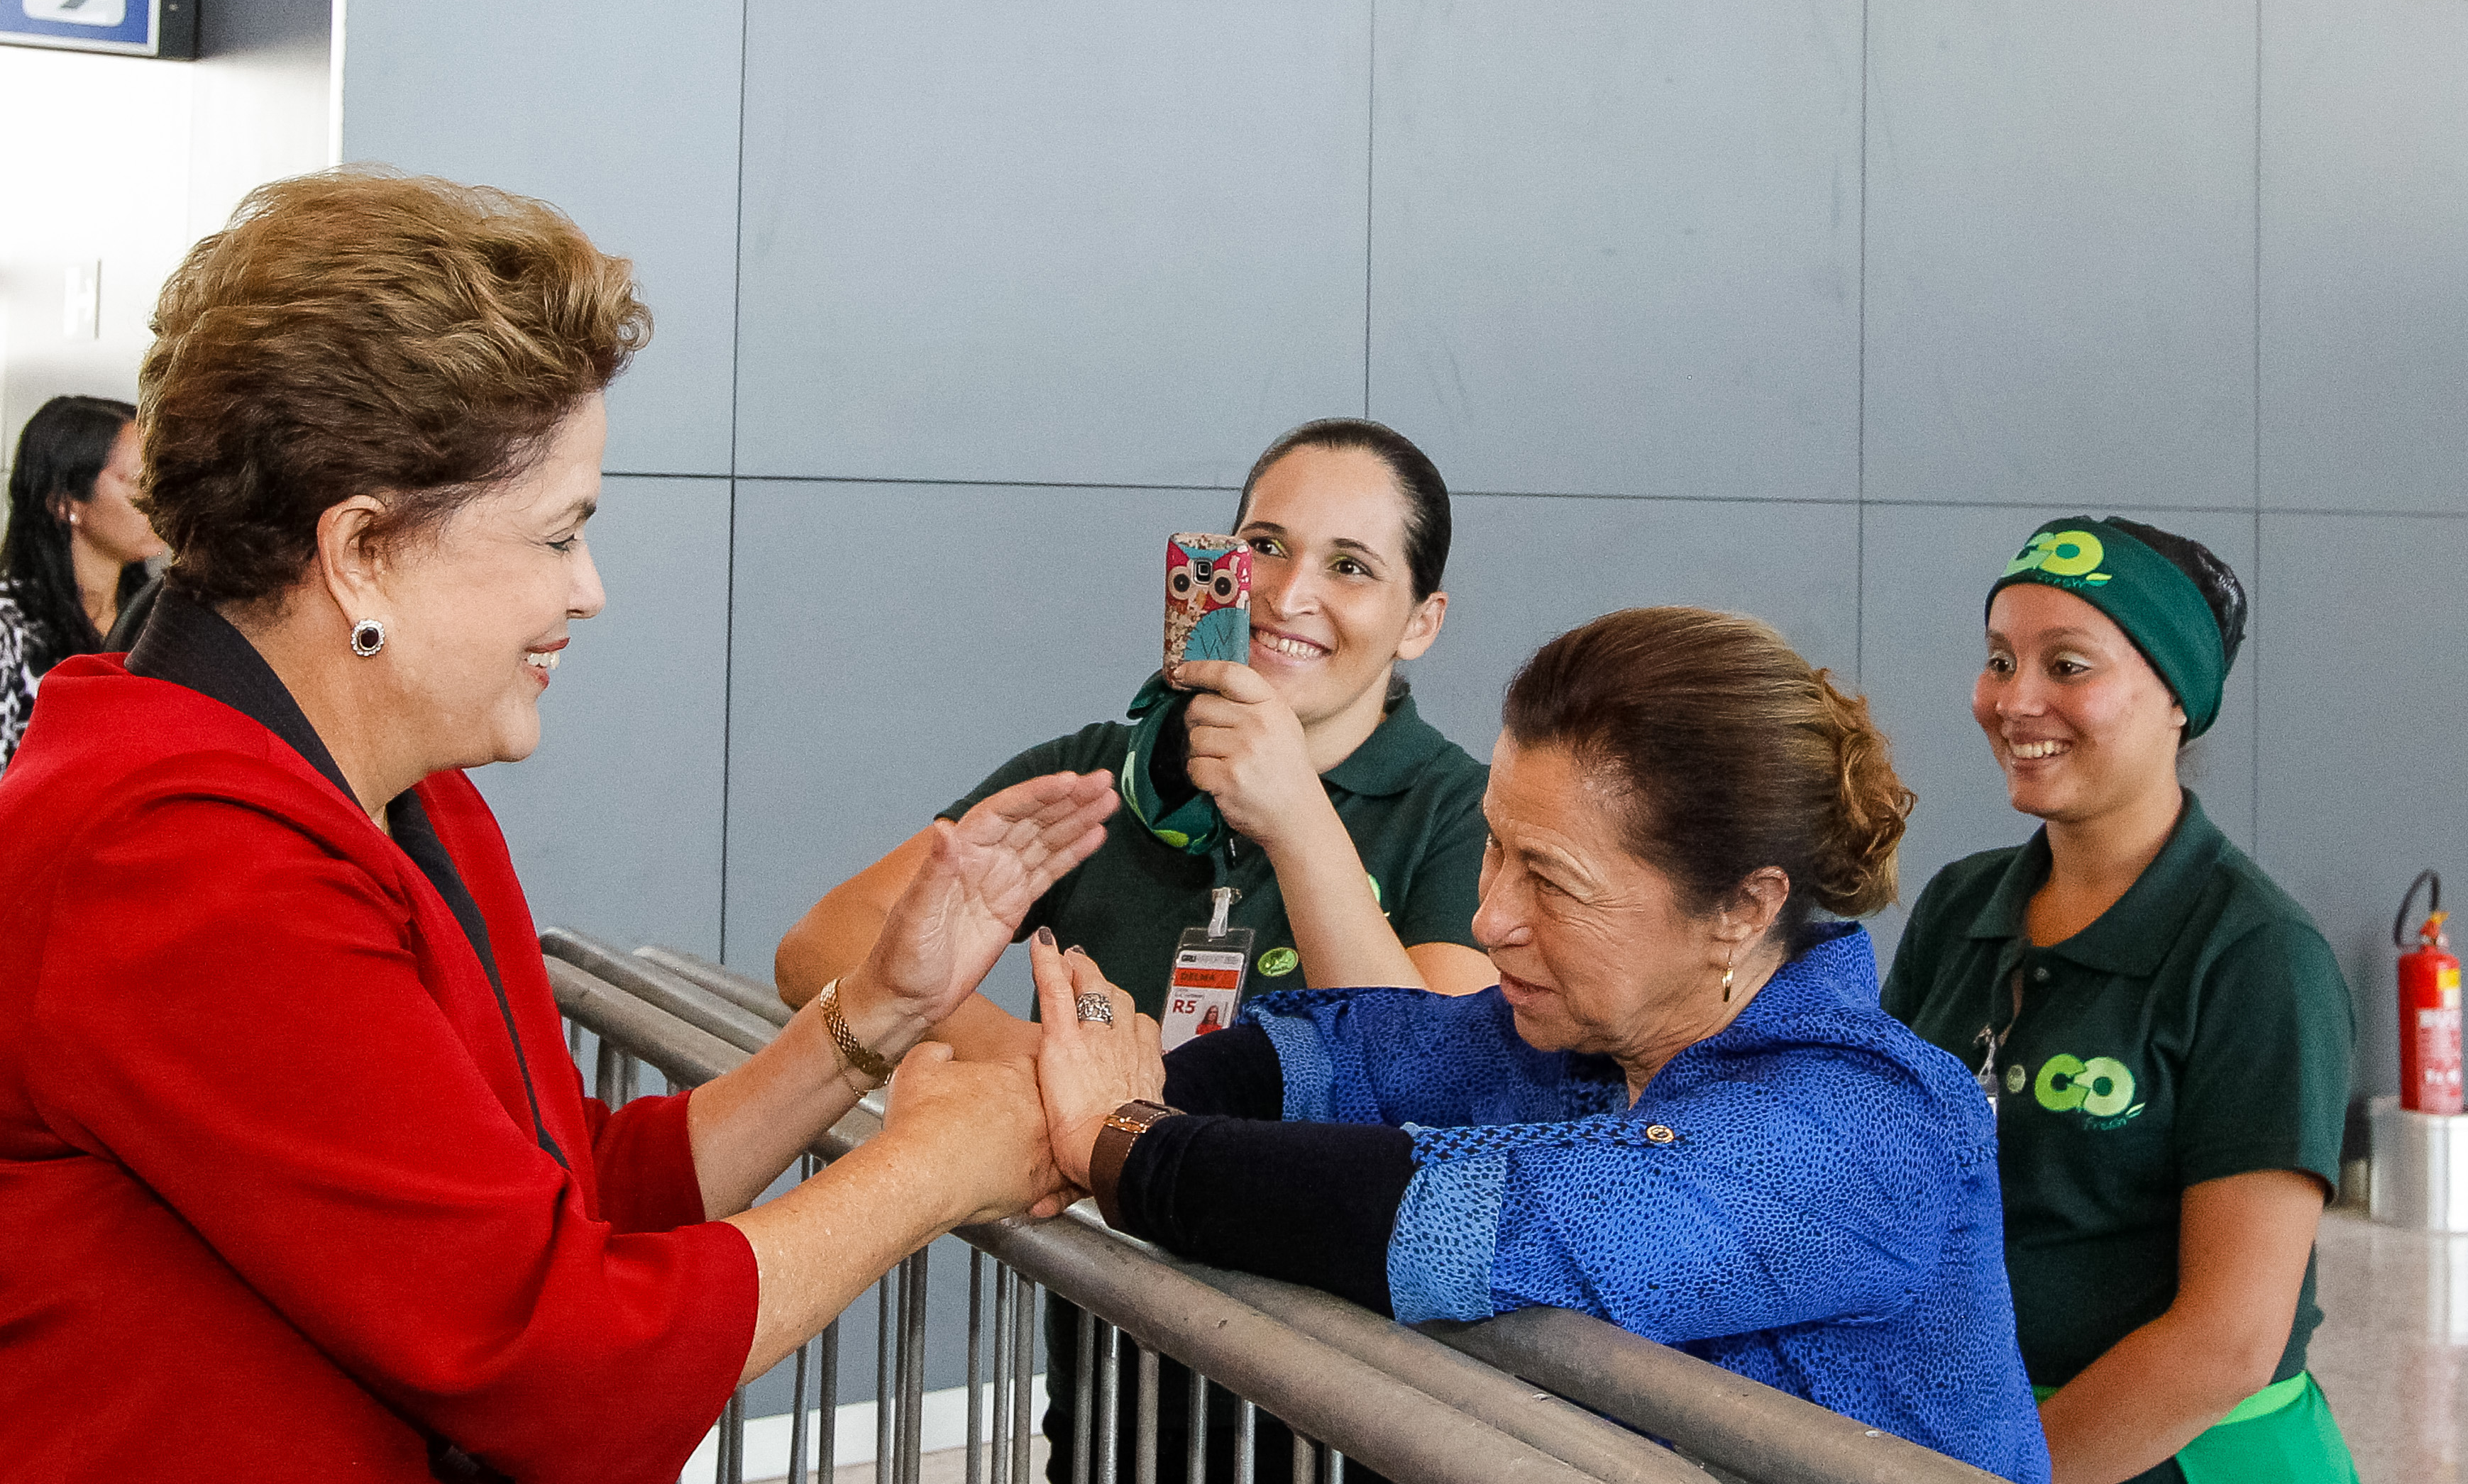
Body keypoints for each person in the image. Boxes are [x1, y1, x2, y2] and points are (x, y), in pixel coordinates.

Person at [0, 170, 1120, 1482]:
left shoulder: (409, 795)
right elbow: (557, 1356)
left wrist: (873, 1014)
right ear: (362, 550)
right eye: (555, 536)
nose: (587, 591)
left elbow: (565, 1188)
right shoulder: (175, 853)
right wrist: (932, 1168)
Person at [1025, 607, 2052, 1484]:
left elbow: (1463, 1224)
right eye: (1493, 846)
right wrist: (1114, 1093)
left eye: (1551, 880)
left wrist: (1117, 1139)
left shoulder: (1867, 1125)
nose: (1490, 919)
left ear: (1742, 908)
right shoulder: (1559, 1035)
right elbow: (1337, 1048)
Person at [777, 414, 1494, 1482]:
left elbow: (1429, 1080)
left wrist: (1296, 817)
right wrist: (1068, 1081)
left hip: (1352, 1412)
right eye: (1263, 545)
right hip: (1115, 1388)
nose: (1288, 593)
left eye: (1350, 565)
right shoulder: (1105, 770)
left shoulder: (1461, 812)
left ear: (1419, 620)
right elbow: (823, 942)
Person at [1883, 519, 2359, 1484]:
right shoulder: (1960, 906)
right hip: (1967, 1431)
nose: (2014, 699)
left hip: (2170, 1448)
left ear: (2177, 698)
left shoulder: (2257, 956)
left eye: (2065, 664)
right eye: (1998, 660)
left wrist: (2001, 1475)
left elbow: (2225, 1341)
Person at [0, 393, 164, 774]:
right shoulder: (9, 627)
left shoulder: (159, 617)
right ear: (65, 501)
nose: (158, 502)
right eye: (140, 483)